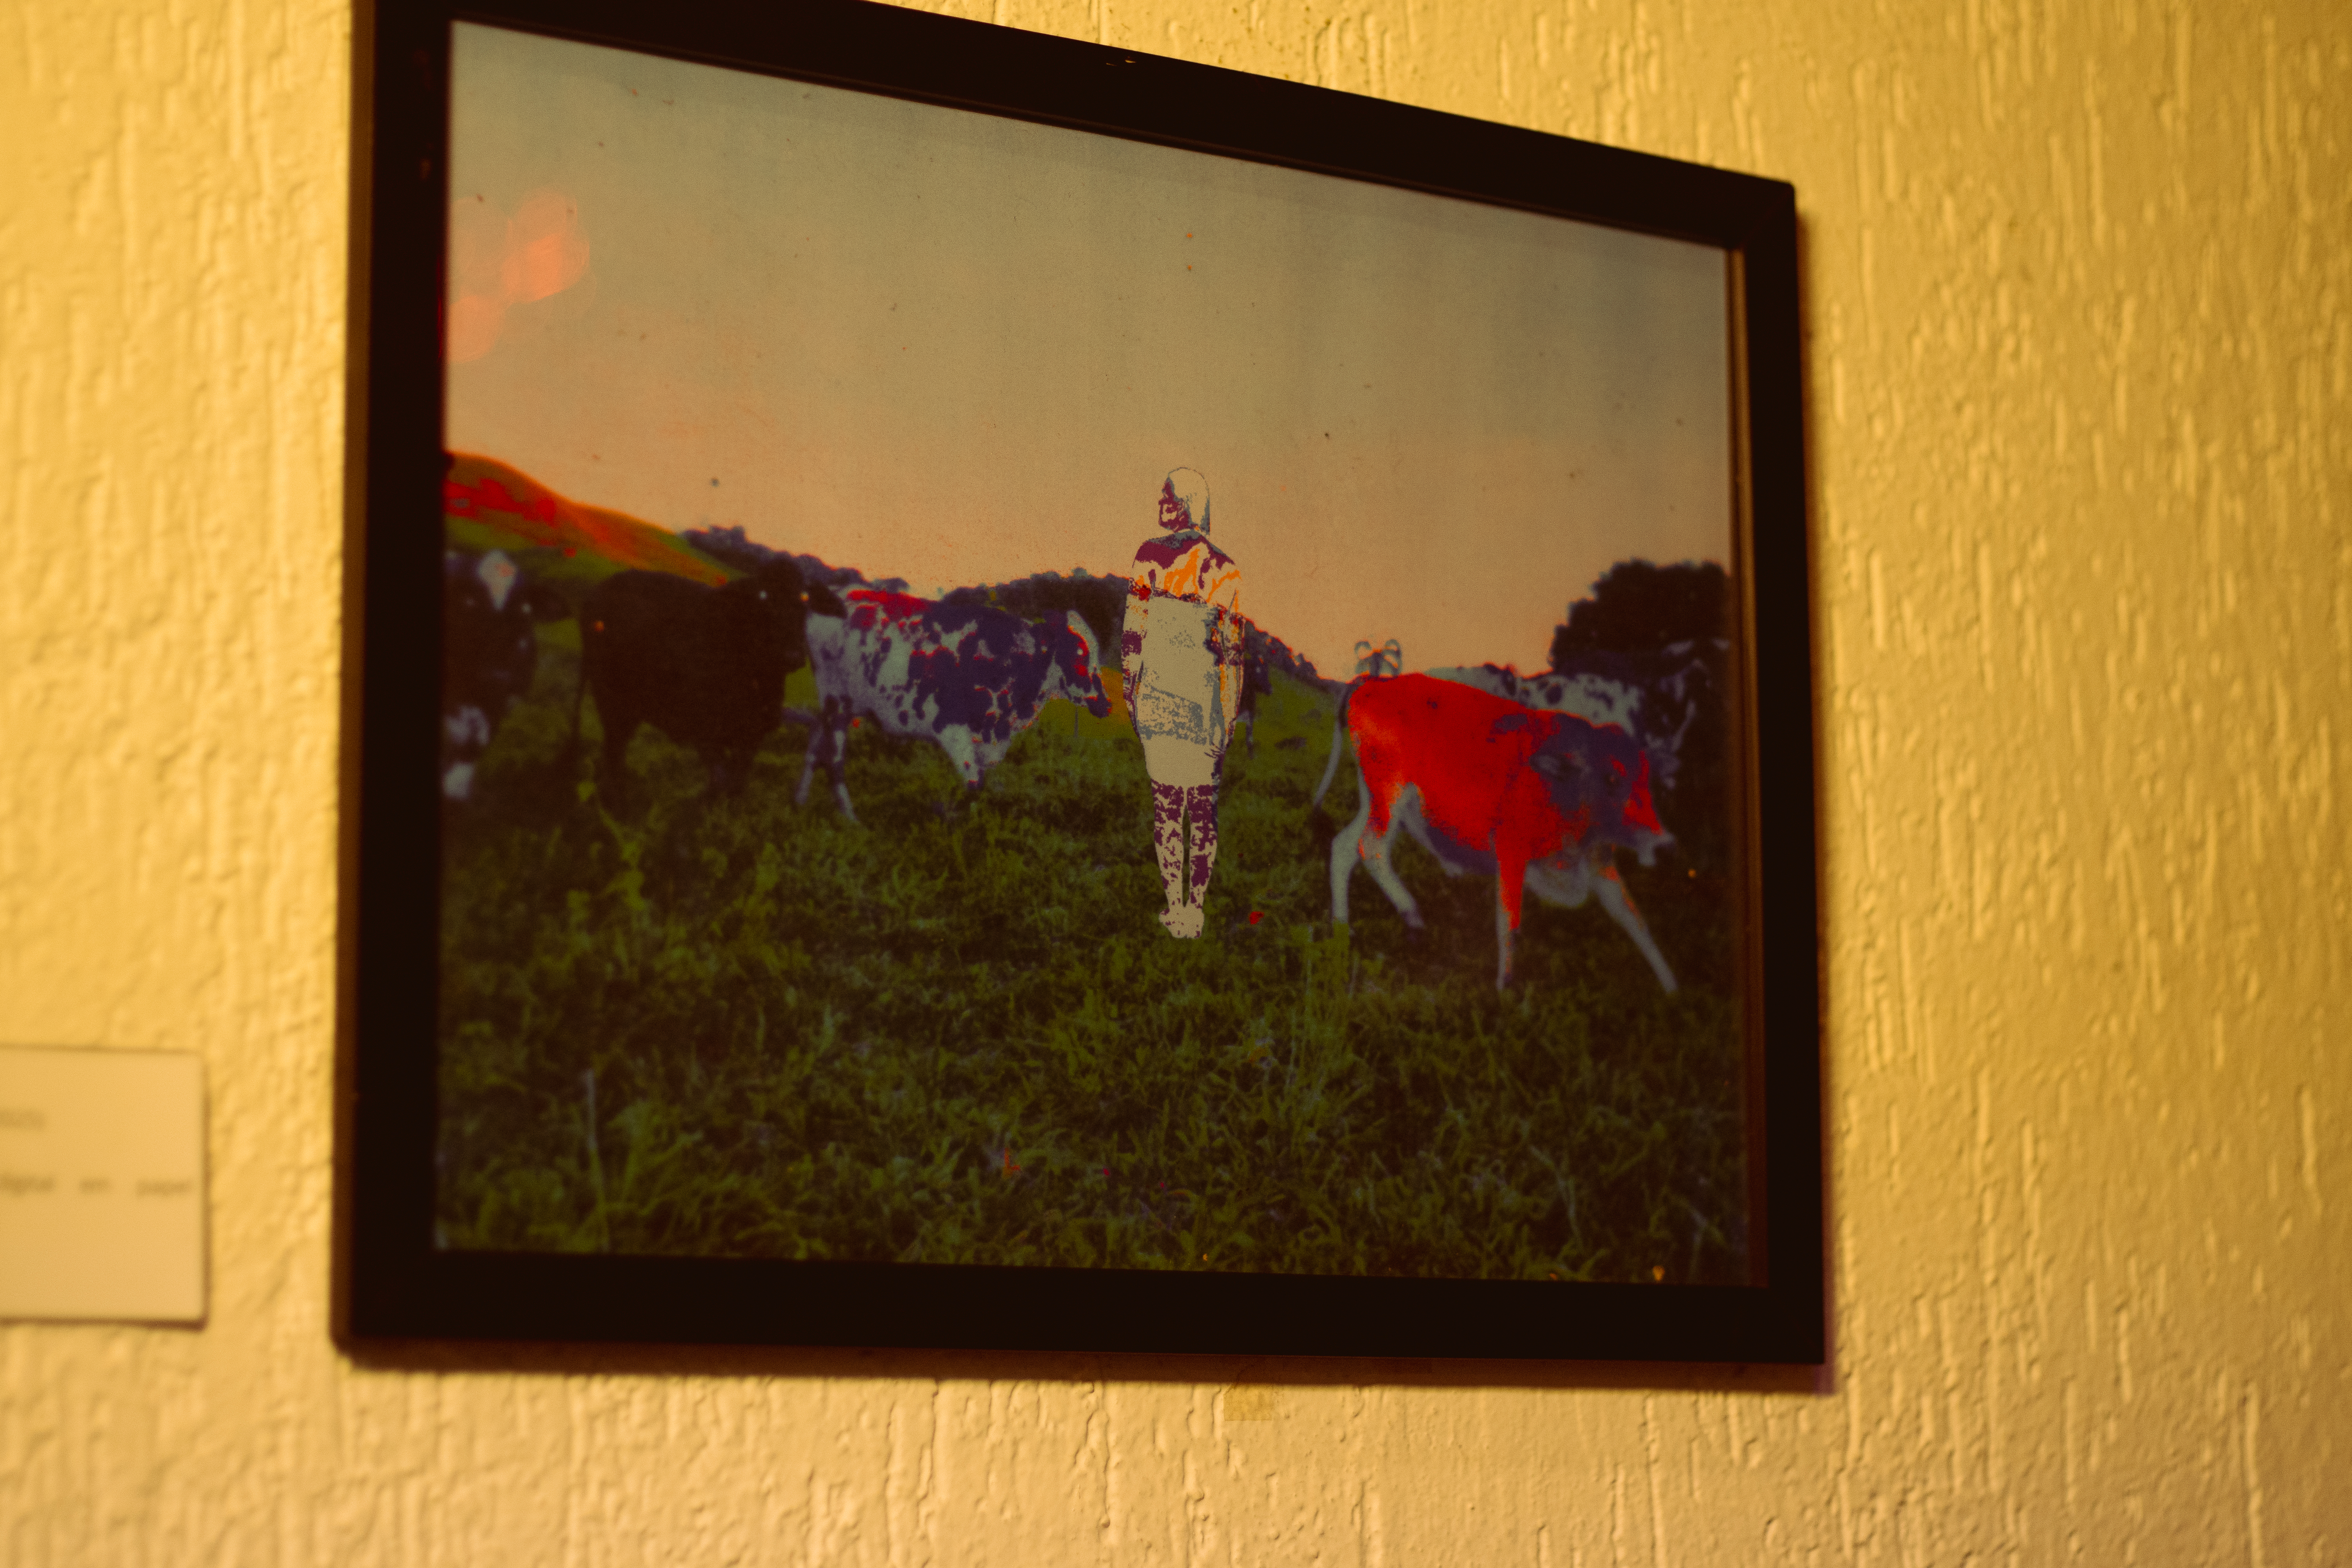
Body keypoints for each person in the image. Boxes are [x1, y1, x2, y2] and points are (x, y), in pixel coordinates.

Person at [1120, 468, 1244, 938]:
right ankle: (1195, 907)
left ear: (1186, 503)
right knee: (1203, 807)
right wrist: (1228, 714)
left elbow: (1134, 633)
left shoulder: (1148, 556)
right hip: (1205, 700)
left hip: (1159, 696)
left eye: (1168, 496)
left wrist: (1133, 696)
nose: (1160, 502)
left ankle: (1177, 907)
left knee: (1168, 807)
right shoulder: (1226, 569)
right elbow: (1233, 655)